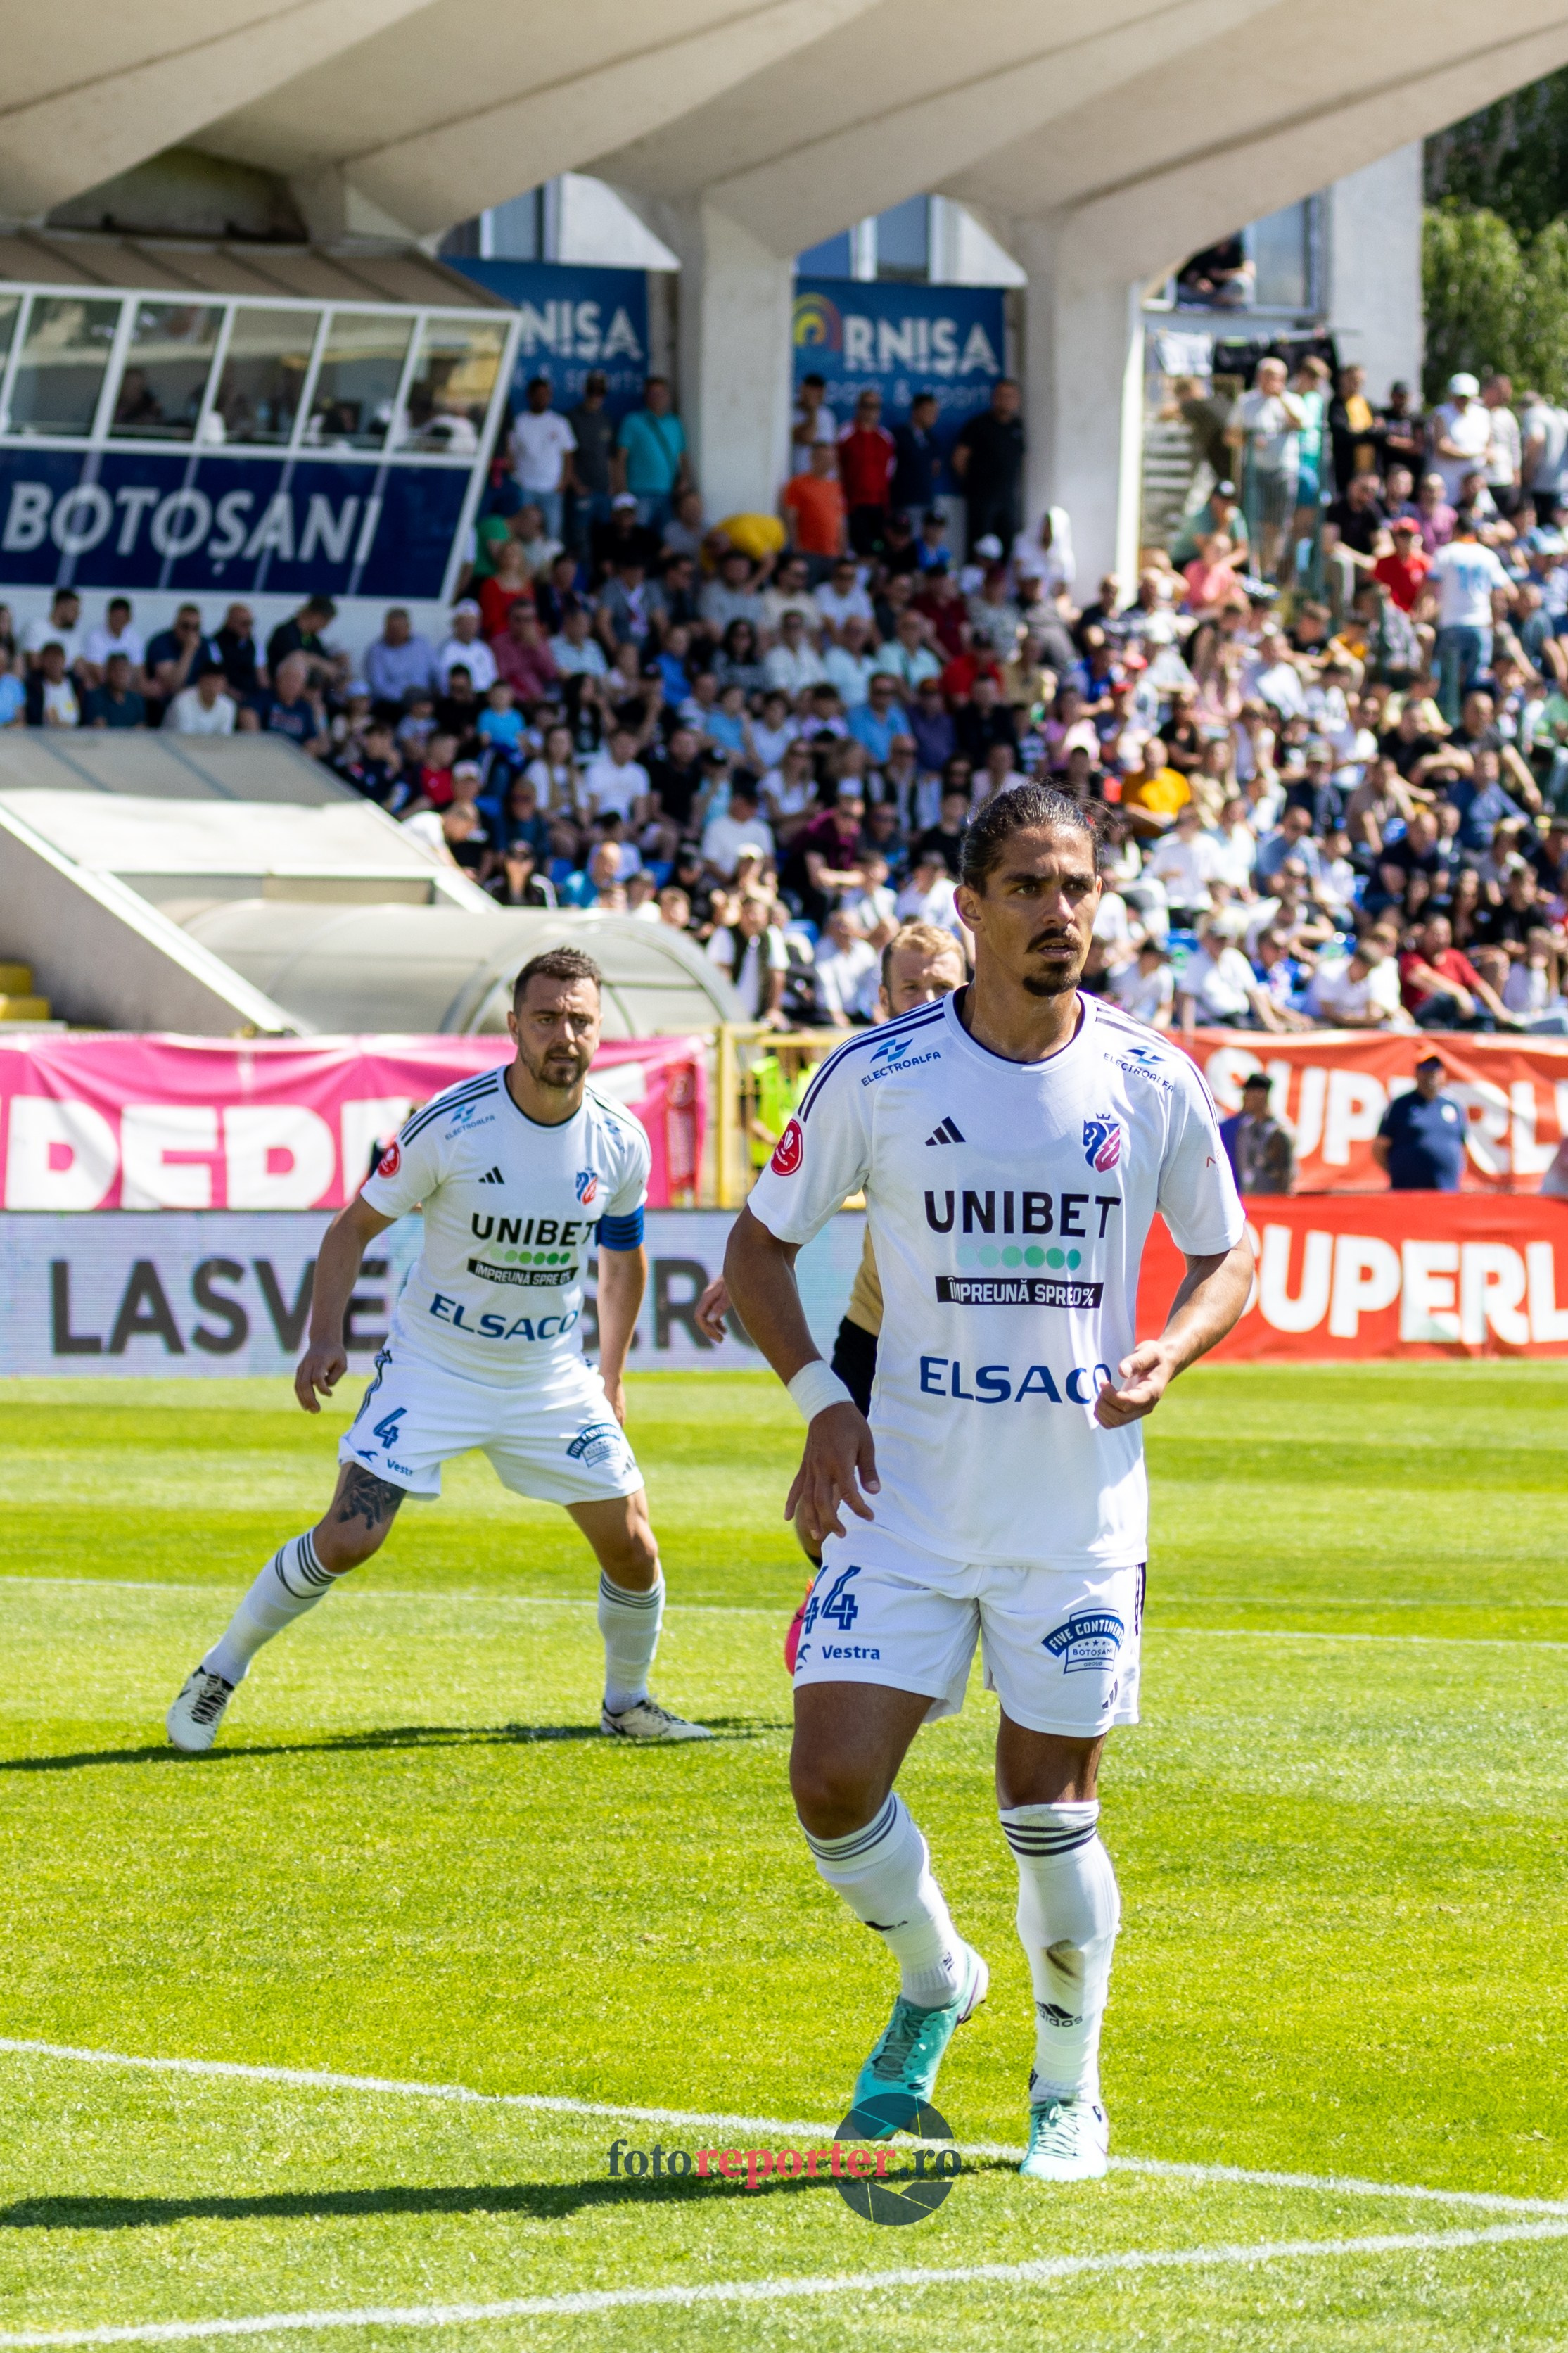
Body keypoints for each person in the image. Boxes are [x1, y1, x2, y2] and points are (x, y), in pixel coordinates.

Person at [723, 782, 1249, 2181]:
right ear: (967, 908)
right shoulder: (880, 1076)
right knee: (832, 1783)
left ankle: (1066, 2085)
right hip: (904, 1497)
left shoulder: (1148, 1079)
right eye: (1026, 886)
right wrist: (821, 1404)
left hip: (1071, 1510)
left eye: (1076, 886)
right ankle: (936, 1972)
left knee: (1046, 1803)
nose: (1058, 913)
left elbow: (1229, 1254)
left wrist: (1170, 1351)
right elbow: (755, 1248)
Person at [166, 949, 712, 1755]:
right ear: (514, 1027)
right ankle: (219, 1669)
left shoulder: (619, 1140)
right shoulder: (453, 1124)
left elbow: (623, 1255)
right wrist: (324, 1332)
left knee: (634, 1546)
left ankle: (625, 1701)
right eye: (548, 1018)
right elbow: (351, 1227)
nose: (566, 1034)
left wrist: (613, 1371)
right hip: (436, 1364)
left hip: (548, 1375)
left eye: (582, 1020)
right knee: (350, 1535)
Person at [952, 377, 1024, 554]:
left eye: (1011, 396)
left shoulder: (1017, 427)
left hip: (1007, 499)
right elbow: (959, 459)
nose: (1006, 400)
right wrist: (975, 484)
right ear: (994, 398)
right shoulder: (978, 425)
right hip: (983, 500)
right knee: (981, 549)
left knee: (1007, 548)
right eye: (1002, 395)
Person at [1373, 1053, 1467, 1191]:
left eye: (1436, 1069)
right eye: (1426, 1068)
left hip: (1446, 1192)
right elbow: (1379, 1147)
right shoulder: (1401, 1105)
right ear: (1417, 1073)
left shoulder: (1454, 1106)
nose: (1431, 1074)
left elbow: (1461, 1147)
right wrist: (1398, 1172)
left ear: (1444, 1074)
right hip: (1408, 1192)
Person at [507, 376, 577, 541]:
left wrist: (563, 483)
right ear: (530, 396)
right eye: (538, 394)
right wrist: (516, 480)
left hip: (552, 488)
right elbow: (510, 454)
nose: (542, 398)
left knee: (553, 533)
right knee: (523, 534)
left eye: (546, 394)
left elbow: (568, 455)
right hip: (526, 487)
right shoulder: (519, 422)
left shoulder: (559, 423)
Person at [615, 376, 688, 532]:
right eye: (653, 394)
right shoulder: (633, 421)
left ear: (668, 397)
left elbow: (682, 456)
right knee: (639, 536)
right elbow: (620, 458)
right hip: (639, 492)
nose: (658, 398)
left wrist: (685, 480)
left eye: (662, 394)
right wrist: (622, 489)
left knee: (666, 538)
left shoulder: (675, 423)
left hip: (668, 492)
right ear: (645, 397)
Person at [1218, 1071, 1294, 1193]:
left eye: (1248, 1093)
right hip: (1250, 1202)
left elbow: (1285, 1179)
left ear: (1261, 1094)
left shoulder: (1278, 1131)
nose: (1244, 1098)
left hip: (1271, 1204)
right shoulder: (1246, 1128)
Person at [781, 438, 848, 562]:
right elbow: (790, 516)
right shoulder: (798, 484)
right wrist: (795, 545)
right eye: (823, 458)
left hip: (832, 552)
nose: (828, 462)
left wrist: (842, 549)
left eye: (831, 458)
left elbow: (840, 521)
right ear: (813, 458)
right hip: (807, 551)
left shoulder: (836, 487)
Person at [165, 661, 236, 735]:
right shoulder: (183, 701)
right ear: (201, 681)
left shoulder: (228, 706)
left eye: (217, 682)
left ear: (224, 684)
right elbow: (184, 736)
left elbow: (224, 739)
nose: (212, 687)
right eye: (209, 682)